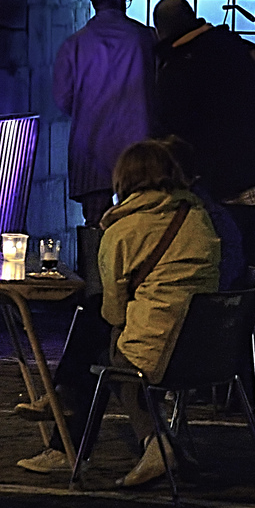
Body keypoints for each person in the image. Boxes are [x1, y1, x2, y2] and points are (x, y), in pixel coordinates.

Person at [83, 138, 223, 489]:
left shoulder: (120, 232)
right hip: (212, 349)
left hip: (159, 350)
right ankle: (173, 446)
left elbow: (113, 312)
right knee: (129, 350)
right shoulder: (198, 217)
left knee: (114, 357)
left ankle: (154, 444)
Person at [153, 0, 255, 283]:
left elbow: (173, 133)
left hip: (224, 185)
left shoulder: (178, 69)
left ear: (161, 32)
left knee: (229, 265)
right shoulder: (243, 48)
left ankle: (237, 322)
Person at [54, 0, 158, 227]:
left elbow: (62, 98)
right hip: (137, 142)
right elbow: (161, 83)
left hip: (90, 145)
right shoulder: (146, 38)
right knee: (139, 218)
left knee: (96, 222)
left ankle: (95, 265)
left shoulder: (74, 44)